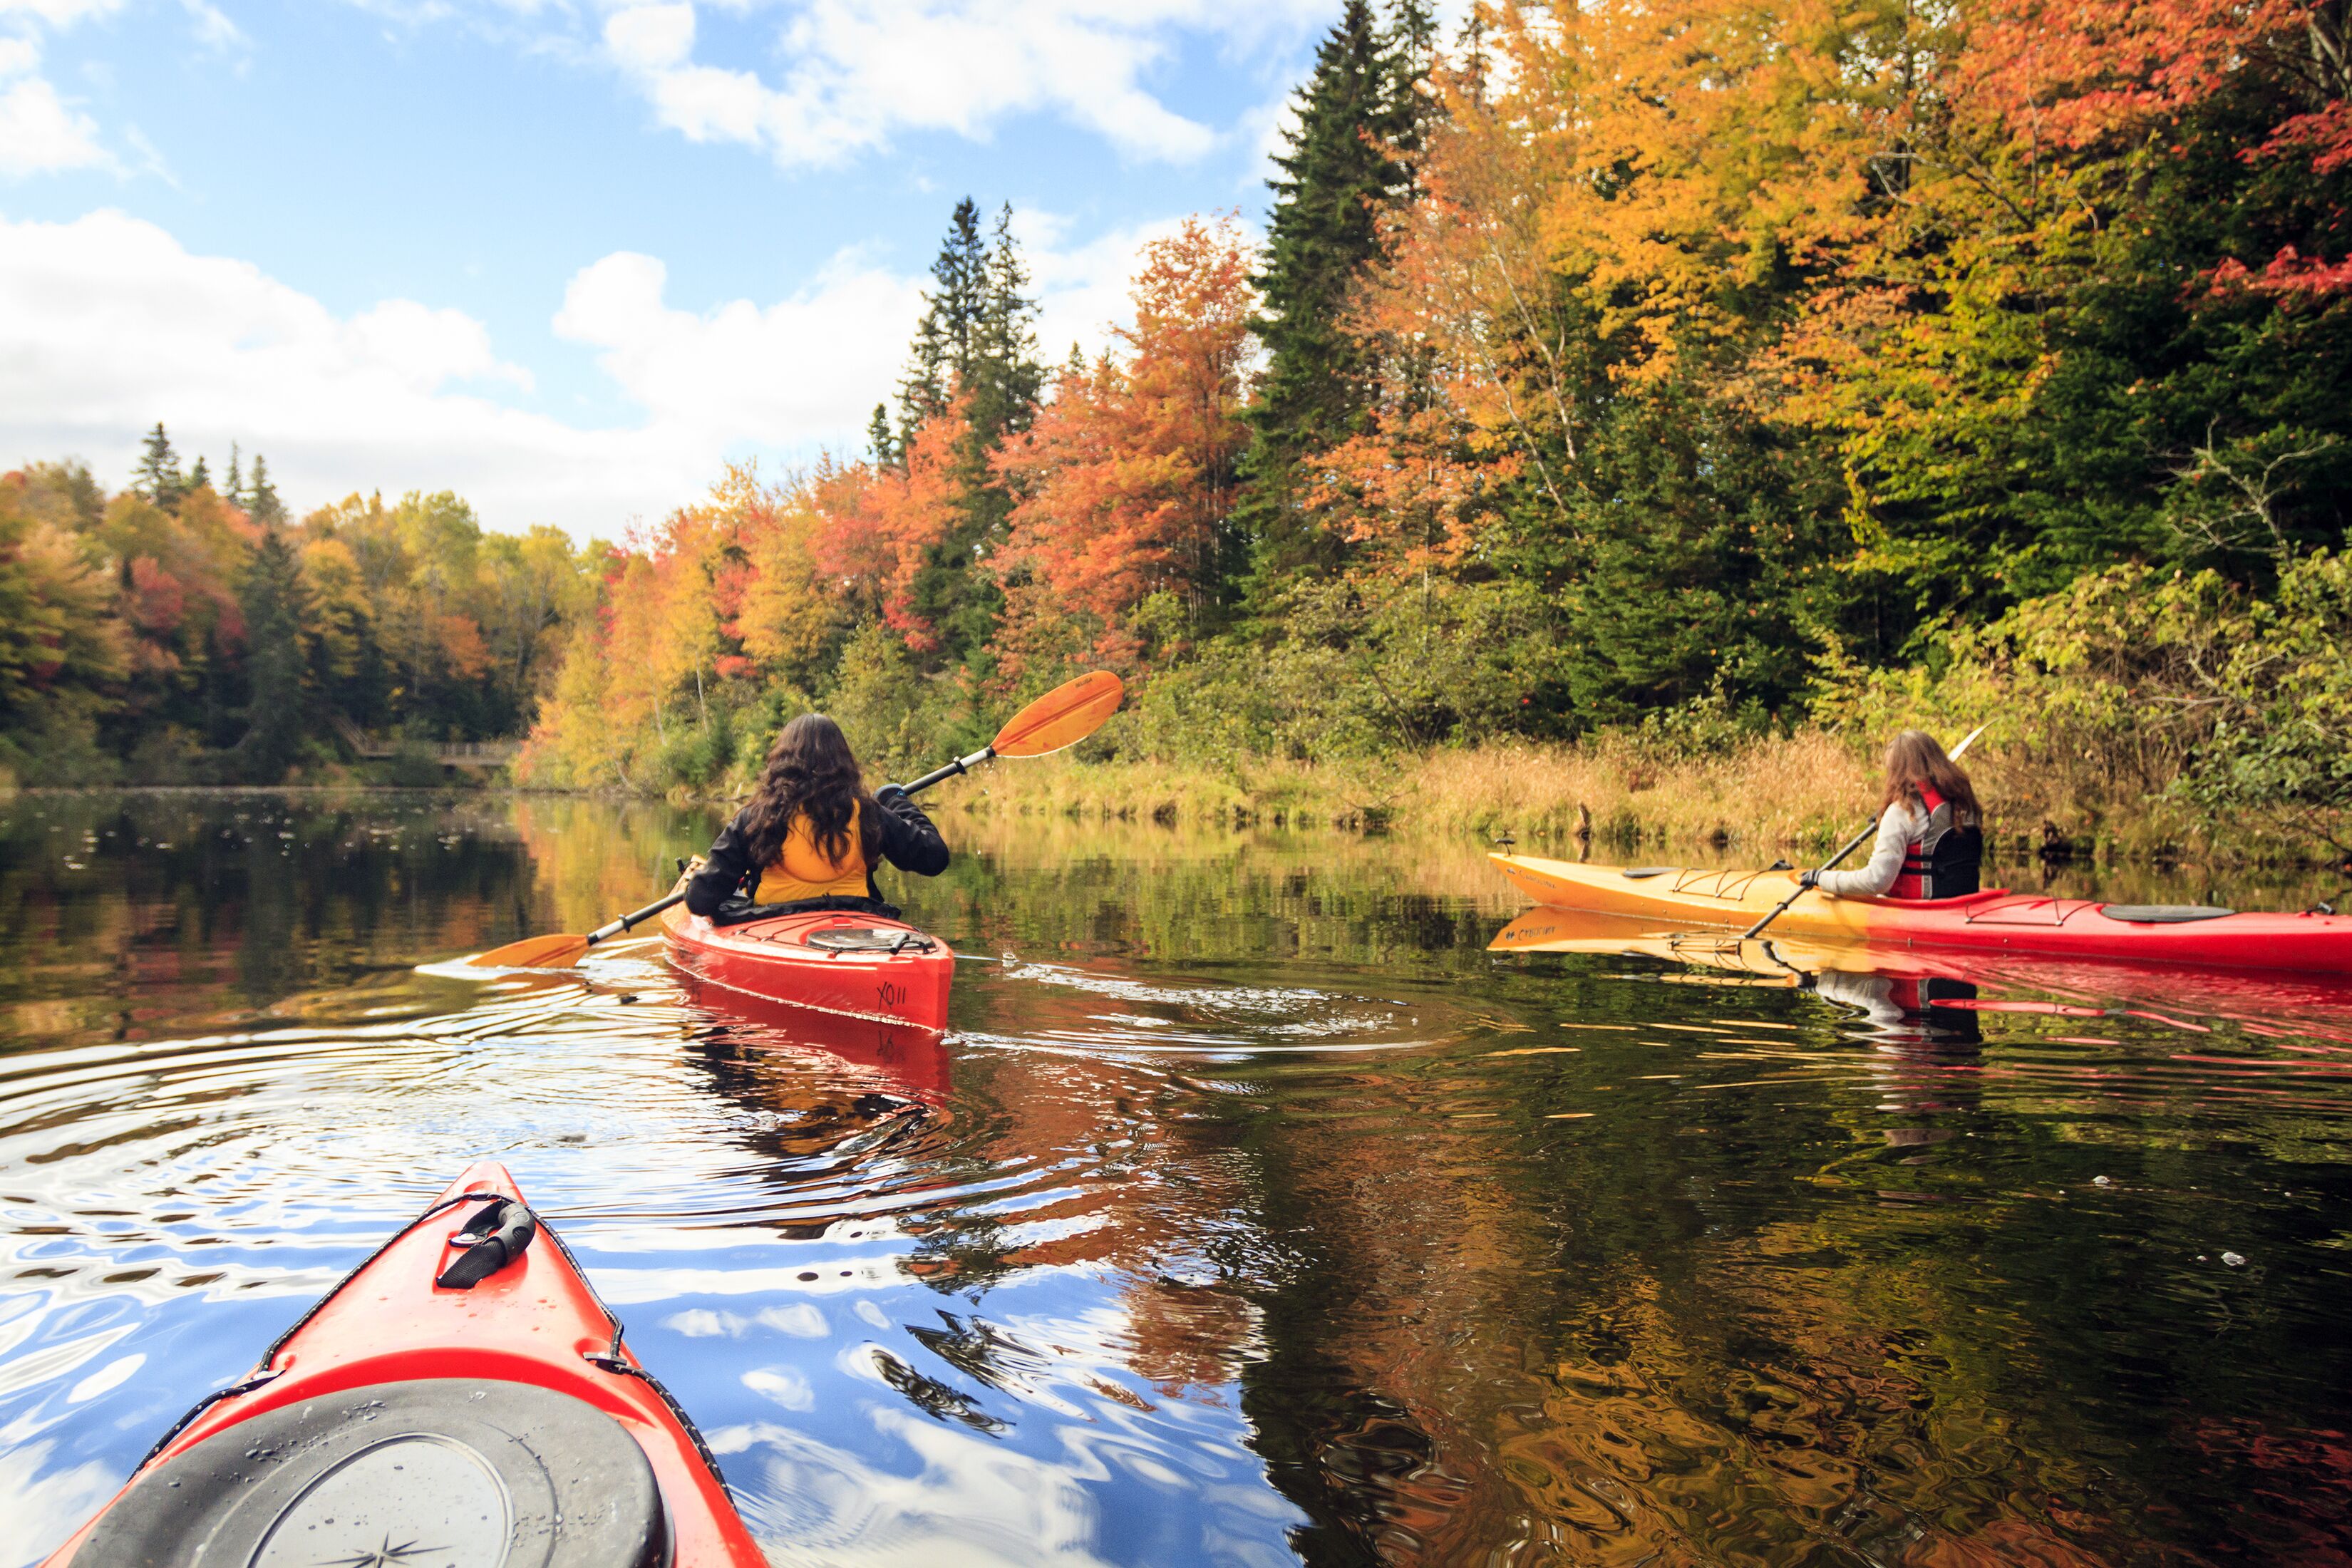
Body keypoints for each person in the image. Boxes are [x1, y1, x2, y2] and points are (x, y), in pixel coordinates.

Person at [684, 713, 949, 922]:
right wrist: (896, 800)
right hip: (856, 926)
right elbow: (935, 857)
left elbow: (700, 901)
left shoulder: (758, 817)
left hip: (773, 926)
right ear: (843, 761)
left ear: (781, 762)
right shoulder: (866, 812)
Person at [1802, 729, 1984, 901]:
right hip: (1966, 905)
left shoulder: (1903, 812)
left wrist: (1822, 878)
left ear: (1897, 770)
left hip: (1924, 912)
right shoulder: (1965, 802)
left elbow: (1877, 881)